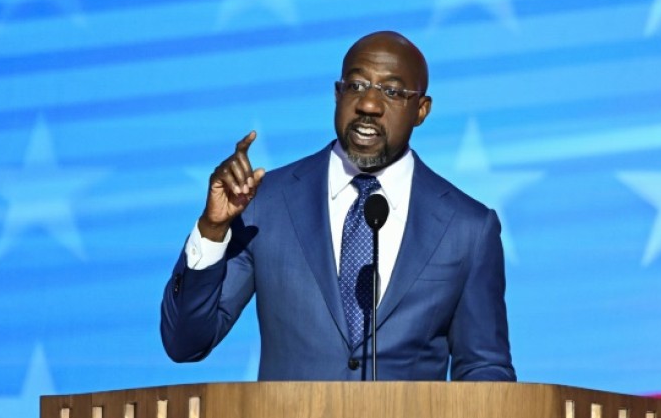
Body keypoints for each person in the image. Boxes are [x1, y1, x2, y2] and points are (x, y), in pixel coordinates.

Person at [160, 30, 515, 381]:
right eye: (356, 85)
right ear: (337, 93)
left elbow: (484, 369)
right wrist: (212, 229)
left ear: (421, 110)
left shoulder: (467, 227)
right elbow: (185, 342)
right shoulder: (265, 203)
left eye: (392, 91)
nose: (369, 105)